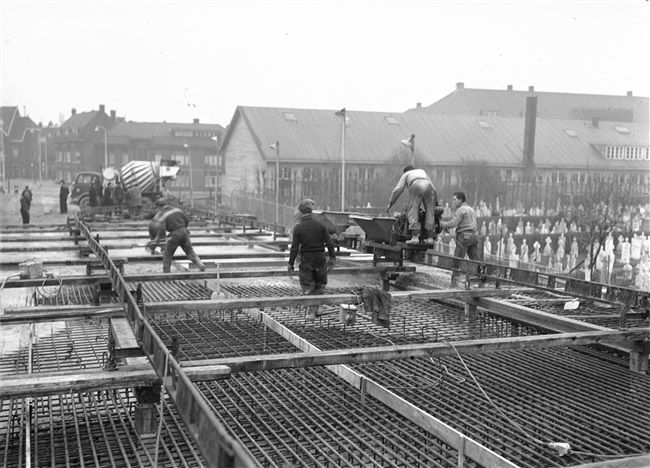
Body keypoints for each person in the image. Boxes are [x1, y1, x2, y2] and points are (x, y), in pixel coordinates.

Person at [288, 200, 336, 320]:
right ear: (311, 211)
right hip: (320, 258)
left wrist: (291, 263)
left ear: (300, 212)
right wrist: (332, 258)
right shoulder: (320, 225)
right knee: (320, 284)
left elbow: (294, 248)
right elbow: (329, 243)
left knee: (308, 286)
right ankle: (319, 308)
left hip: (306, 259)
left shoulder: (298, 228)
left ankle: (311, 313)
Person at [386, 165, 438, 245]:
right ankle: (430, 238)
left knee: (413, 209)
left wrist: (391, 203)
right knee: (430, 211)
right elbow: (434, 189)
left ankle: (415, 237)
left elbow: (398, 190)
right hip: (428, 186)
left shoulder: (406, 174)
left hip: (416, 185)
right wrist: (437, 202)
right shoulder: (422, 171)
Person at [441, 192, 484, 288]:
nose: (453, 202)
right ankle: (480, 281)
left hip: (464, 236)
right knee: (475, 260)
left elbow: (454, 223)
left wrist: (443, 224)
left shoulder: (461, 210)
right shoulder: (471, 209)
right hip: (474, 237)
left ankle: (454, 283)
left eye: (455, 200)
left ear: (460, 200)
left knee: (457, 259)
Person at [154, 198, 206, 273]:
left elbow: (161, 228)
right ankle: (200, 264)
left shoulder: (162, 214)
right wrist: (183, 228)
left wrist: (157, 238)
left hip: (174, 235)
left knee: (167, 254)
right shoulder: (177, 210)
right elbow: (187, 220)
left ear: (158, 206)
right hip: (184, 232)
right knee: (190, 251)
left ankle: (166, 273)